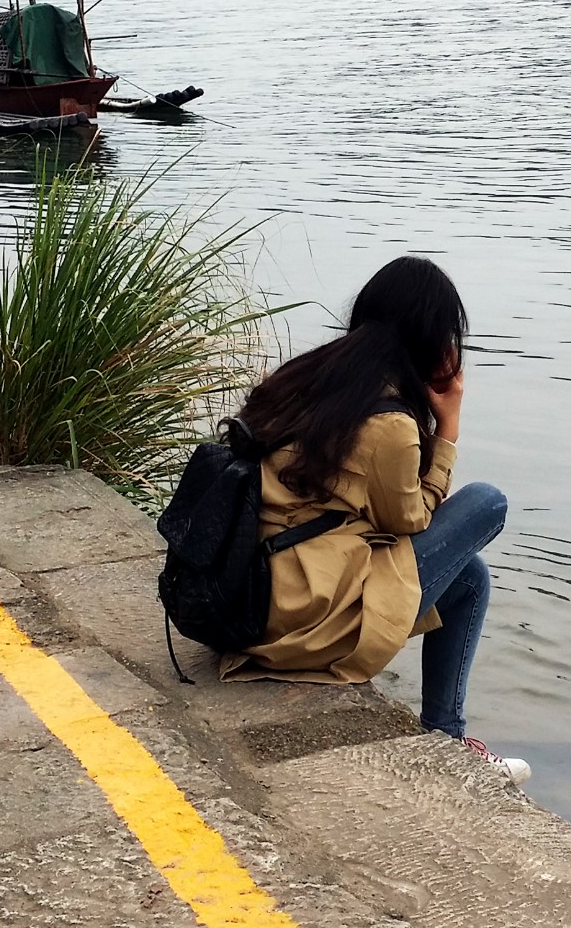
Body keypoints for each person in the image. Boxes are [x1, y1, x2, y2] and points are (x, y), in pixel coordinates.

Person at [220, 256, 528, 784]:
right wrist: (448, 427)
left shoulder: (309, 378)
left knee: (469, 577)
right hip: (297, 613)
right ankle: (448, 738)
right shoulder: (388, 423)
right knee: (487, 502)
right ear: (433, 342)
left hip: (248, 588)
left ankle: (445, 735)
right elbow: (409, 519)